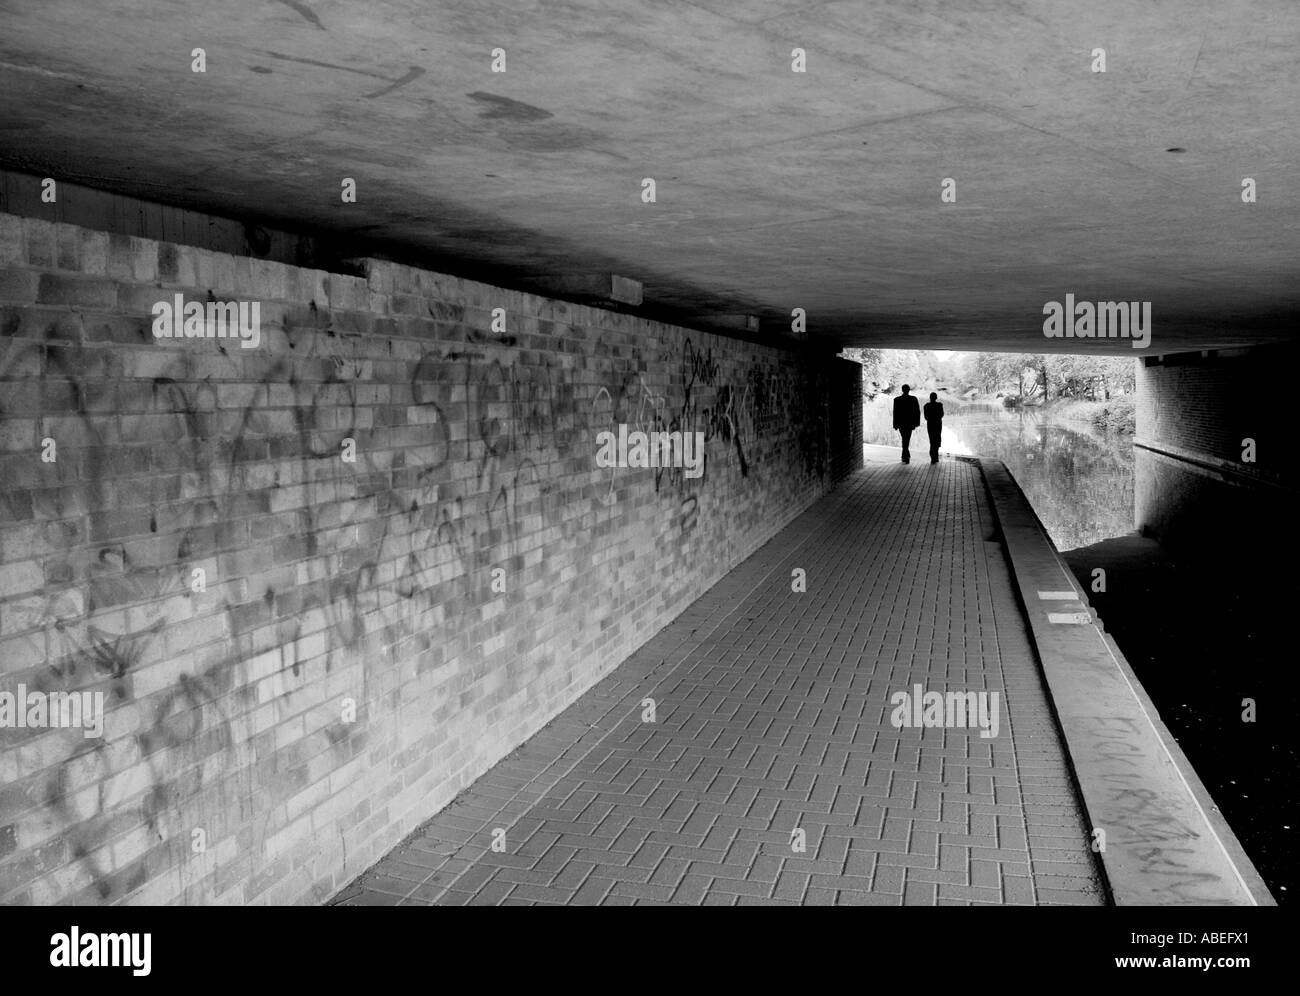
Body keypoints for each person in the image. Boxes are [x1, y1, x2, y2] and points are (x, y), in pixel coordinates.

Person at [892, 384, 921, 463]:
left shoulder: (897, 400)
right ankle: (906, 456)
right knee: (906, 439)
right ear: (909, 390)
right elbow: (917, 412)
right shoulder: (913, 399)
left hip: (901, 423)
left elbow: (895, 413)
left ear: (902, 390)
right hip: (909, 423)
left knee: (904, 439)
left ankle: (905, 456)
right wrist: (916, 423)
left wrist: (895, 424)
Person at [923, 392, 944, 464]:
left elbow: (926, 417)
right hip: (938, 424)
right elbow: (941, 415)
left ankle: (933, 457)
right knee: (937, 439)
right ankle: (935, 456)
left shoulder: (926, 406)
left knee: (932, 440)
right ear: (936, 398)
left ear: (930, 398)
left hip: (930, 425)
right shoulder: (939, 405)